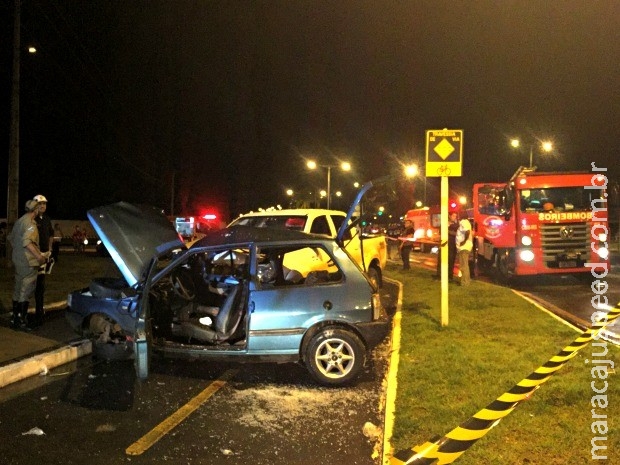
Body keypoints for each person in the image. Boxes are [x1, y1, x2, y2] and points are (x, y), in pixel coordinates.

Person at [7, 200, 49, 331]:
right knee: (26, 289)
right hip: (28, 263)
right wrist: (39, 257)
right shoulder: (31, 223)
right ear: (35, 210)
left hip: (18, 260)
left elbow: (12, 239)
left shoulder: (20, 221)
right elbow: (27, 242)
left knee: (18, 287)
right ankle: (21, 320)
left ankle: (15, 317)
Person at [33, 194, 54, 328]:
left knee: (41, 284)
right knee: (34, 284)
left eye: (44, 204)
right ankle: (30, 313)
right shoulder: (32, 219)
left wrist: (50, 249)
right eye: (40, 204)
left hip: (45, 256)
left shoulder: (46, 219)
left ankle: (39, 310)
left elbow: (51, 234)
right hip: (35, 256)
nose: (42, 206)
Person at [435, 212, 459, 281]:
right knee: (441, 260)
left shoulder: (456, 225)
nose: (455, 217)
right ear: (449, 216)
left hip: (452, 246)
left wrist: (448, 231)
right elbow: (440, 233)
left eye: (455, 216)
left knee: (451, 261)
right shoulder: (444, 224)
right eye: (454, 216)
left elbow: (457, 234)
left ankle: (449, 276)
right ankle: (439, 275)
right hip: (443, 244)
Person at [456, 215, 473, 286]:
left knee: (464, 265)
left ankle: (465, 282)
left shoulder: (464, 222)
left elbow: (467, 231)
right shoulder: (467, 222)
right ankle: (466, 280)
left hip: (464, 247)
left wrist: (463, 242)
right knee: (464, 265)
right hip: (465, 246)